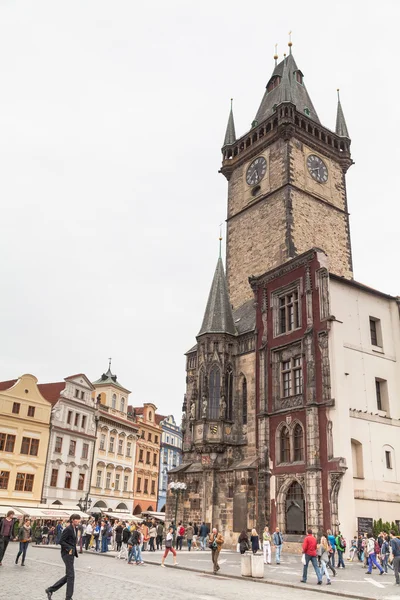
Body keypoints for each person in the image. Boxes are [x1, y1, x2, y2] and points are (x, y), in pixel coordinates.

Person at [45, 513, 80, 600]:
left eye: (79, 519)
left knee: (69, 575)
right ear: (72, 520)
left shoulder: (75, 528)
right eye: (77, 519)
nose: (78, 521)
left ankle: (50, 590)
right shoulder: (68, 529)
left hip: (71, 554)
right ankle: (68, 597)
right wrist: (69, 549)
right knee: (71, 576)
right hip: (67, 554)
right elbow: (61, 541)